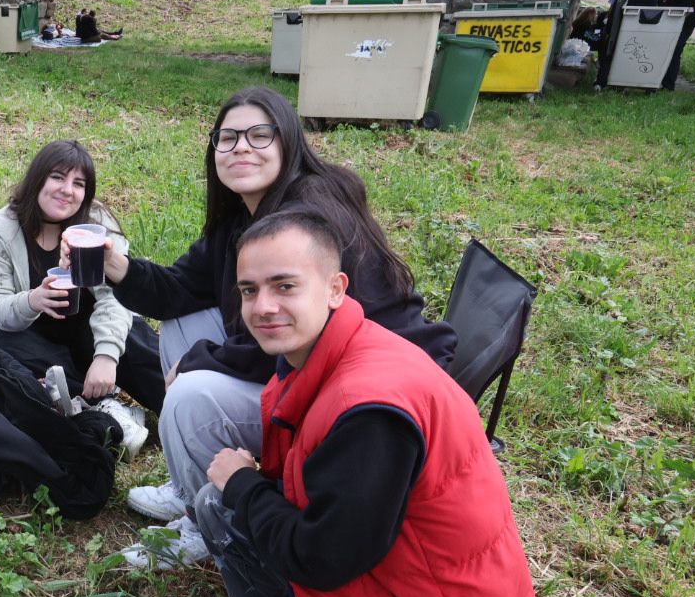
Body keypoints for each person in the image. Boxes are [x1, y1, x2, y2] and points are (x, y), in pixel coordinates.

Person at [166, 209, 547, 597]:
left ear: (336, 289)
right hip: (381, 585)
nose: (263, 305)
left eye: (285, 286)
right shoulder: (328, 356)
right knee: (218, 504)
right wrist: (242, 489)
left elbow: (321, 559)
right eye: (249, 290)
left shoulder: (371, 407)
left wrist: (246, 482)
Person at [97, 86, 454, 566]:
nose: (241, 146)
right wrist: (116, 267)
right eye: (228, 138)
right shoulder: (243, 216)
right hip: (307, 368)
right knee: (183, 322)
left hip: (350, 394)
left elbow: (300, 336)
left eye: (258, 135)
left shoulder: (307, 218)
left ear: (288, 142)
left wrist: (199, 360)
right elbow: (179, 289)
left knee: (188, 393)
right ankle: (190, 485)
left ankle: (209, 523)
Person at [0, 139, 160, 456]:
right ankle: (100, 406)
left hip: (90, 332)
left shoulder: (95, 224)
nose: (67, 190)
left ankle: (193, 409)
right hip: (37, 341)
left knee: (133, 337)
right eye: (57, 177)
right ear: (38, 179)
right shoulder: (2, 227)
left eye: (78, 183)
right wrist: (33, 299)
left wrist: (106, 356)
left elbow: (116, 298)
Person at [660, 0, 695, 91]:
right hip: (683, 26)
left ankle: (668, 84)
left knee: (674, 53)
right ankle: (667, 82)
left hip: (683, 27)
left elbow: (677, 8)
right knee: (674, 53)